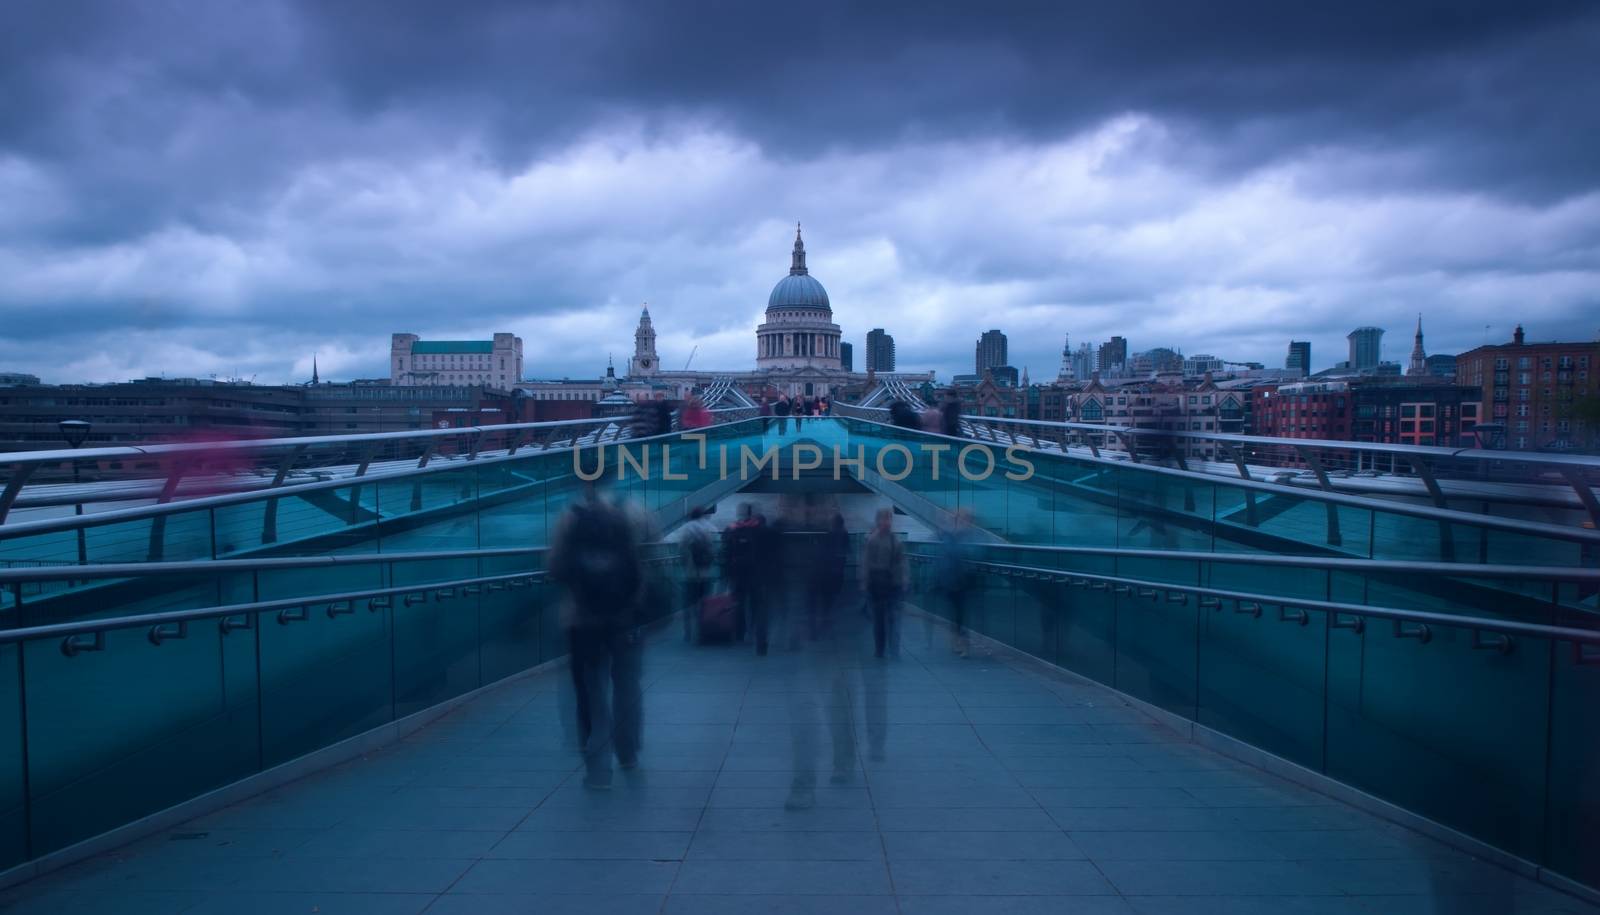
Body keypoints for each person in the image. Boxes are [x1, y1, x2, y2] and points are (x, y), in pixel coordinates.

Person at [549, 485, 648, 789]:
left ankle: (597, 769)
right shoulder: (632, 510)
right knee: (627, 684)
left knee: (590, 690)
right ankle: (628, 752)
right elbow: (645, 555)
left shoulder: (569, 516)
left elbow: (555, 567)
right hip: (624, 616)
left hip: (581, 618)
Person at [861, 507, 907, 658]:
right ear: (878, 521)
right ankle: (882, 648)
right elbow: (867, 563)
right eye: (884, 519)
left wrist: (903, 580)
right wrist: (865, 582)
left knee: (891, 618)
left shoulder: (894, 540)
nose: (886, 522)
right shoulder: (873, 540)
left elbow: (901, 563)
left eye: (888, 519)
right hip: (878, 583)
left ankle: (890, 648)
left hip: (891, 584)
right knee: (881, 619)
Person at [937, 509, 979, 656]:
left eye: (964, 519)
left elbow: (973, 553)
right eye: (960, 519)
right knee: (956, 613)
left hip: (964, 580)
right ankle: (956, 640)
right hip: (951, 579)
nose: (962, 522)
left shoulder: (969, 536)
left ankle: (963, 644)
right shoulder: (950, 535)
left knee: (961, 613)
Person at [675, 505, 719, 642]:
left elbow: (680, 548)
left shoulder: (686, 528)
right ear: (702, 515)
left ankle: (688, 633)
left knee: (688, 604)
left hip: (690, 573)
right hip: (708, 572)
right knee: (705, 603)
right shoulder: (711, 528)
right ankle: (703, 631)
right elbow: (716, 548)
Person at [721, 503, 763, 642]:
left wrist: (726, 573)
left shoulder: (732, 529)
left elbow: (725, 550)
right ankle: (754, 628)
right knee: (755, 603)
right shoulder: (759, 529)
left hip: (737, 573)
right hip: (755, 572)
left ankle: (740, 632)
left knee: (739, 602)